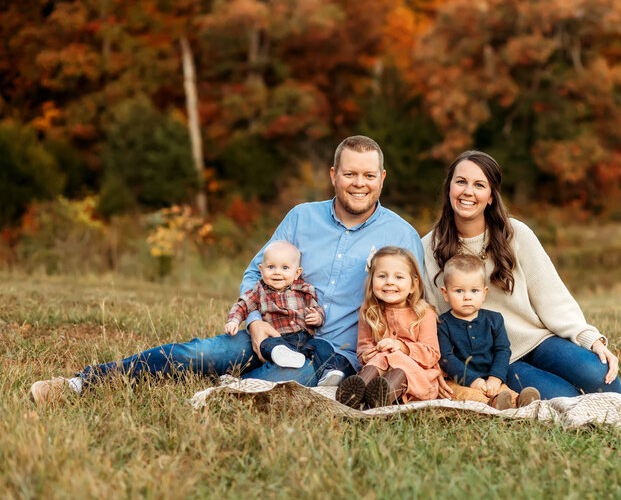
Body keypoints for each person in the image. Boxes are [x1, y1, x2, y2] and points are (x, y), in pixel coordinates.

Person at [30, 135, 425, 405]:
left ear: (382, 179)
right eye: (350, 174)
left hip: (333, 355)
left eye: (369, 175)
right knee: (197, 353)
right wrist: (253, 322)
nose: (360, 183)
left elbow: (417, 306)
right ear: (333, 175)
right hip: (271, 330)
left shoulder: (401, 234)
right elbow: (255, 273)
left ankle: (212, 398)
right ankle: (81, 383)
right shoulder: (301, 218)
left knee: (285, 384)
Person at [422, 150, 621, 402]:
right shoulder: (429, 247)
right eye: (460, 182)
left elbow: (553, 297)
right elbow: (432, 316)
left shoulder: (515, 234)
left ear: (491, 196)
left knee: (597, 370)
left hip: (538, 340)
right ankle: (620, 398)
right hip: (496, 361)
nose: (468, 192)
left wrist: (591, 340)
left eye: (479, 185)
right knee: (564, 398)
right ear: (449, 187)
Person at [335, 246, 440, 409]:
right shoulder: (369, 310)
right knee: (379, 359)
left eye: (399, 277)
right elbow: (364, 346)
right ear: (372, 281)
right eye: (382, 276)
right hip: (379, 366)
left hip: (415, 374)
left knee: (398, 363)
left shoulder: (424, 312)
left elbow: (432, 354)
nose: (389, 281)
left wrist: (402, 347)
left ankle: (382, 396)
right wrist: (368, 355)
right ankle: (357, 391)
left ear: (413, 285)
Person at [436, 254, 540, 410]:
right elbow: (446, 358)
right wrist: (472, 380)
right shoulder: (442, 324)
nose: (467, 297)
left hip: (491, 379)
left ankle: (521, 402)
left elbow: (502, 350)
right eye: (459, 291)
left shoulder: (494, 320)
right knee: (466, 396)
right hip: (460, 381)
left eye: (474, 291)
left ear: (484, 293)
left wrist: (495, 378)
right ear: (445, 293)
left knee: (505, 392)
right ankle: (492, 405)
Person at [224, 240, 334, 380]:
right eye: (270, 267)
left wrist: (318, 317)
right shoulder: (259, 291)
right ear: (261, 269)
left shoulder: (304, 290)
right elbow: (242, 305)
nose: (277, 273)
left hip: (304, 340)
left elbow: (316, 308)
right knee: (266, 344)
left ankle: (328, 372)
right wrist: (233, 321)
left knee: (322, 346)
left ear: (297, 272)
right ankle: (278, 357)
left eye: (285, 268)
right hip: (277, 338)